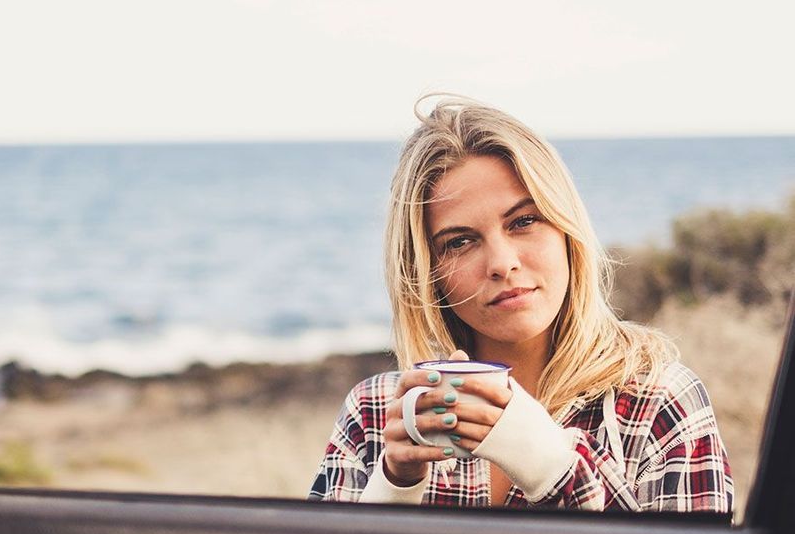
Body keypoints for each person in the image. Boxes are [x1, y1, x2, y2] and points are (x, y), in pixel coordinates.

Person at [308, 94, 733, 512]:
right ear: (426, 272)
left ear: (567, 230)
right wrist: (395, 488)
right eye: (460, 242)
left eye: (524, 221)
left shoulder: (657, 403)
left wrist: (548, 466)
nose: (502, 263)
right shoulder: (376, 414)